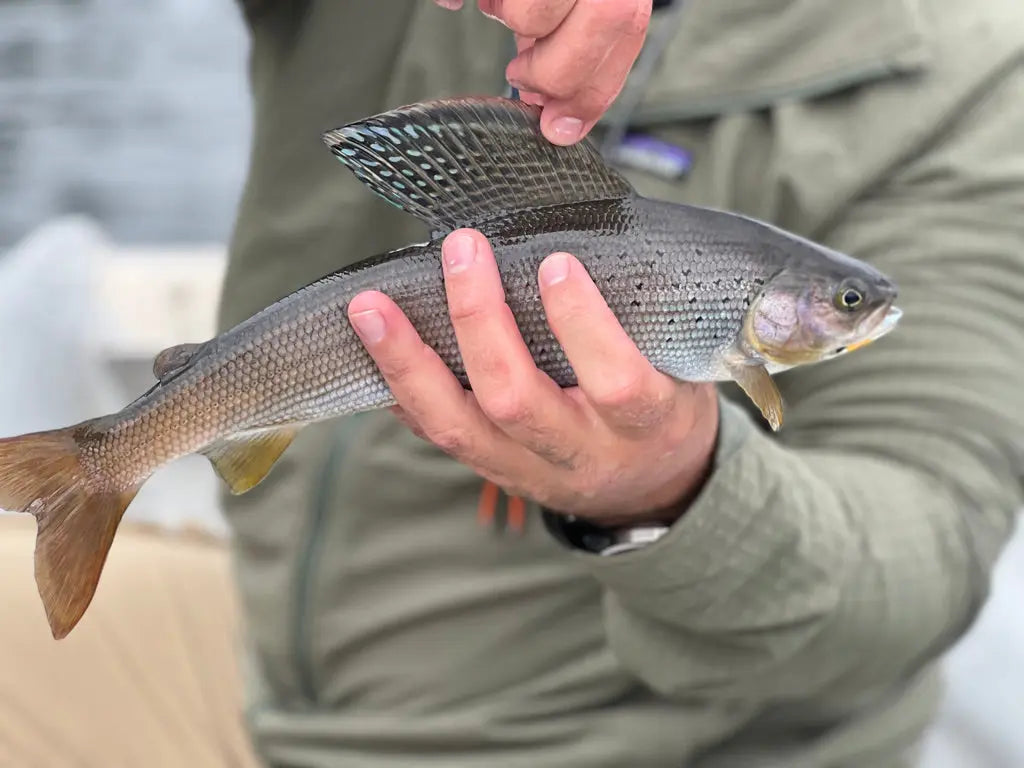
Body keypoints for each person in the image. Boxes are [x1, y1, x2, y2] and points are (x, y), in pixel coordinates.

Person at [1, 0, 1022, 766]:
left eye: (842, 306)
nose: (852, 313)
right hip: (263, 666)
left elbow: (922, 556)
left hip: (617, 744)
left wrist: (672, 491)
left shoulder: (967, 73)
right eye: (841, 304)